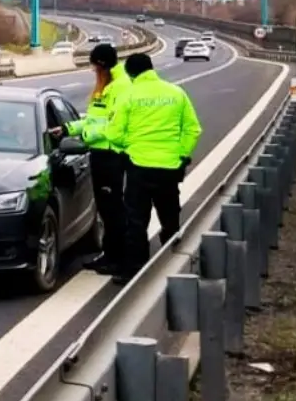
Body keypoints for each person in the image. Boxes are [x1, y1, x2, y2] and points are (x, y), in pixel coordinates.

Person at [85, 52, 201, 284]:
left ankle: (135, 270)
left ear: (130, 73)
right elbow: (193, 129)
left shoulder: (129, 96)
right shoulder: (176, 93)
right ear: (151, 69)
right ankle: (176, 263)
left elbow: (115, 134)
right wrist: (180, 154)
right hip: (169, 167)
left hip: (138, 166)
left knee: (136, 220)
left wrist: (128, 146)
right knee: (169, 216)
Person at [57, 43, 130, 275]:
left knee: (113, 210)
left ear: (102, 65)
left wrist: (86, 136)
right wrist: (68, 129)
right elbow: (93, 119)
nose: (92, 71)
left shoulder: (120, 88)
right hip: (100, 155)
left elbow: (114, 126)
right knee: (106, 210)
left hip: (111, 155)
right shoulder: (105, 86)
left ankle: (119, 259)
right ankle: (109, 255)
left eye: (94, 66)